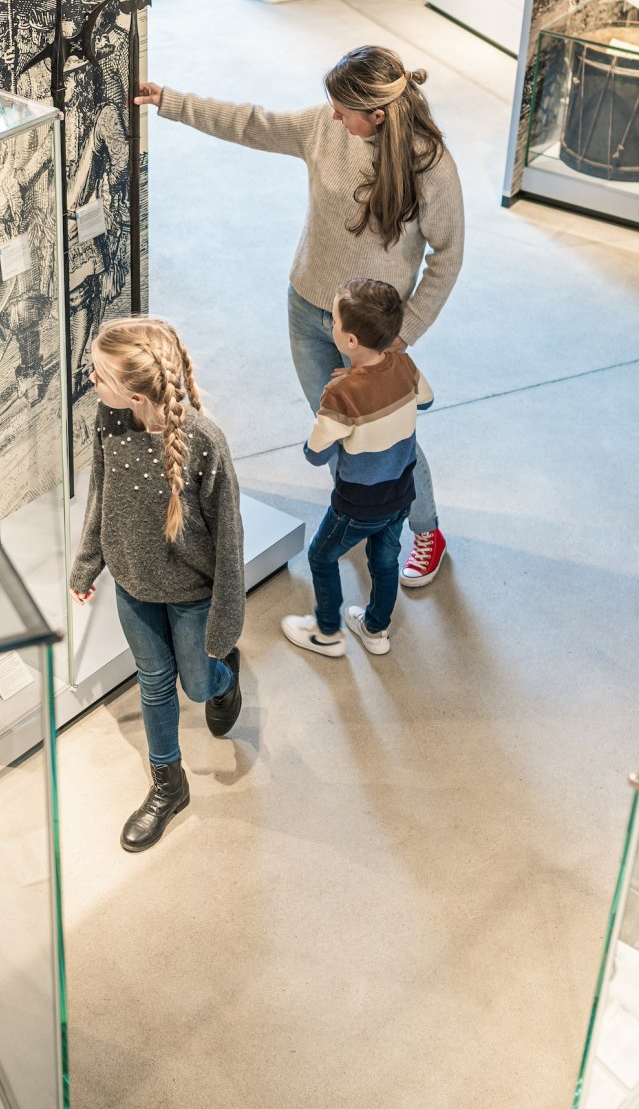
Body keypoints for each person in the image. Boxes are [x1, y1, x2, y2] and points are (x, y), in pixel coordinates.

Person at [135, 45, 463, 587]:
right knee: (337, 428)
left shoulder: (429, 165)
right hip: (308, 307)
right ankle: (361, 512)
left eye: (343, 109)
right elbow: (253, 124)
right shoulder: (324, 129)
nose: (332, 116)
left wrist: (406, 331)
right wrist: (171, 101)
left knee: (391, 438)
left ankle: (426, 527)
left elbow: (448, 255)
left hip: (376, 334)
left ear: (376, 114)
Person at [69, 317, 245, 853]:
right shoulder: (107, 419)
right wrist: (87, 563)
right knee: (154, 681)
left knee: (196, 683)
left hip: (193, 595)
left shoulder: (204, 442)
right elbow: (99, 495)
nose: (91, 381)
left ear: (138, 390)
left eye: (99, 375)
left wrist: (224, 623)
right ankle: (168, 784)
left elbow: (229, 541)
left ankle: (222, 677)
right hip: (134, 586)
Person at [282, 279, 433, 659]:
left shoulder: (339, 394)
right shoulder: (404, 363)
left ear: (350, 341)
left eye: (334, 321)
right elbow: (426, 401)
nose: (331, 326)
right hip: (401, 493)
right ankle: (375, 630)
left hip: (358, 503)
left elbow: (316, 454)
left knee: (321, 556)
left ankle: (327, 632)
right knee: (385, 561)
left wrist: (341, 398)